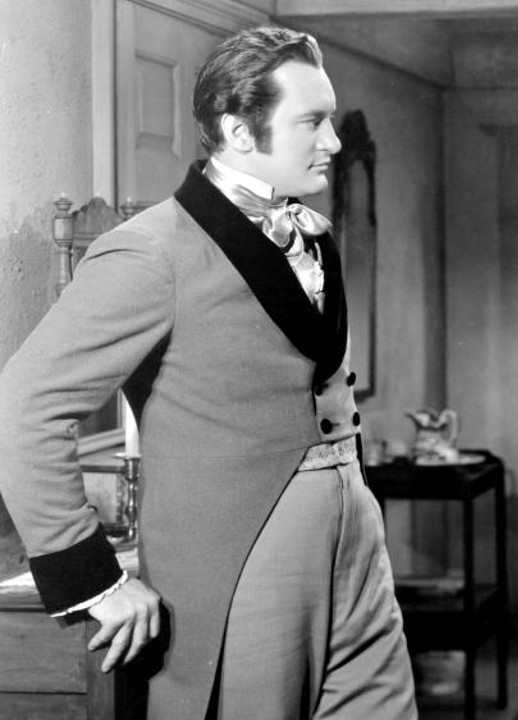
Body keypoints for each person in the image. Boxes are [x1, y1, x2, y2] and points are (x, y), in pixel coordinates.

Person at [0, 26, 417, 720]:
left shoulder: (314, 234)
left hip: (357, 542)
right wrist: (95, 579)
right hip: (243, 558)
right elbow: (22, 405)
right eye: (312, 121)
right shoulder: (150, 252)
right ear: (238, 130)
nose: (333, 142)